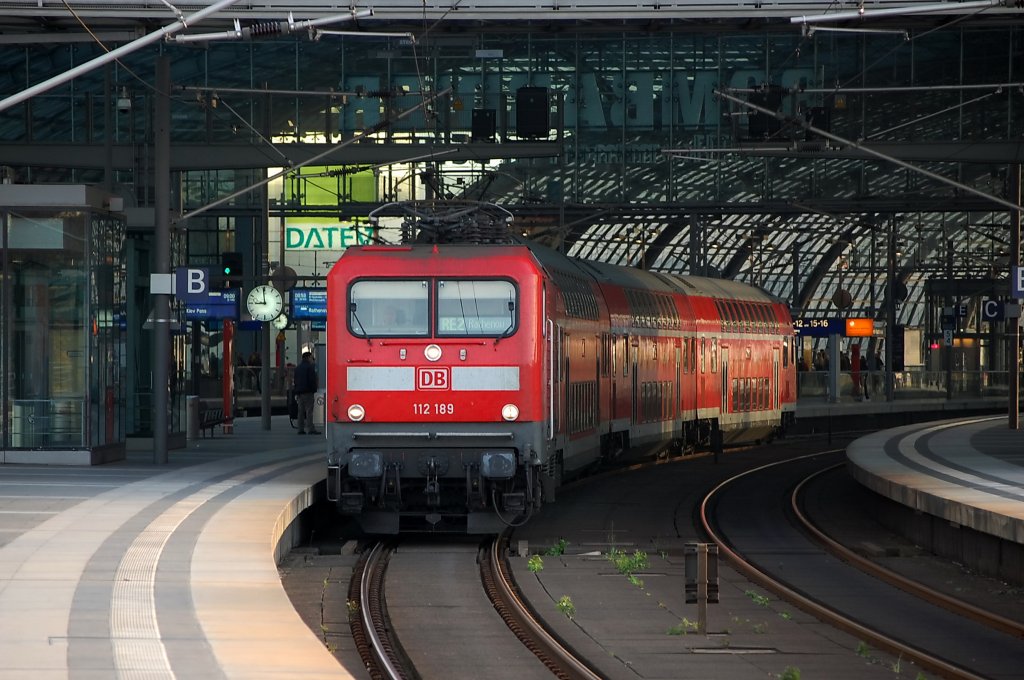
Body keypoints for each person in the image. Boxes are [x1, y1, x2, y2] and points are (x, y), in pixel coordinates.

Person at [293, 351, 320, 435]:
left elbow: (295, 380)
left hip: (300, 392)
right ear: (308, 357)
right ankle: (310, 428)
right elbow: (312, 380)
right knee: (309, 411)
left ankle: (300, 429)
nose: (312, 359)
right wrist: (314, 389)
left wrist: (296, 391)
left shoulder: (298, 368)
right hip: (308, 392)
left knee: (300, 412)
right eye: (311, 357)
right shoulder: (310, 367)